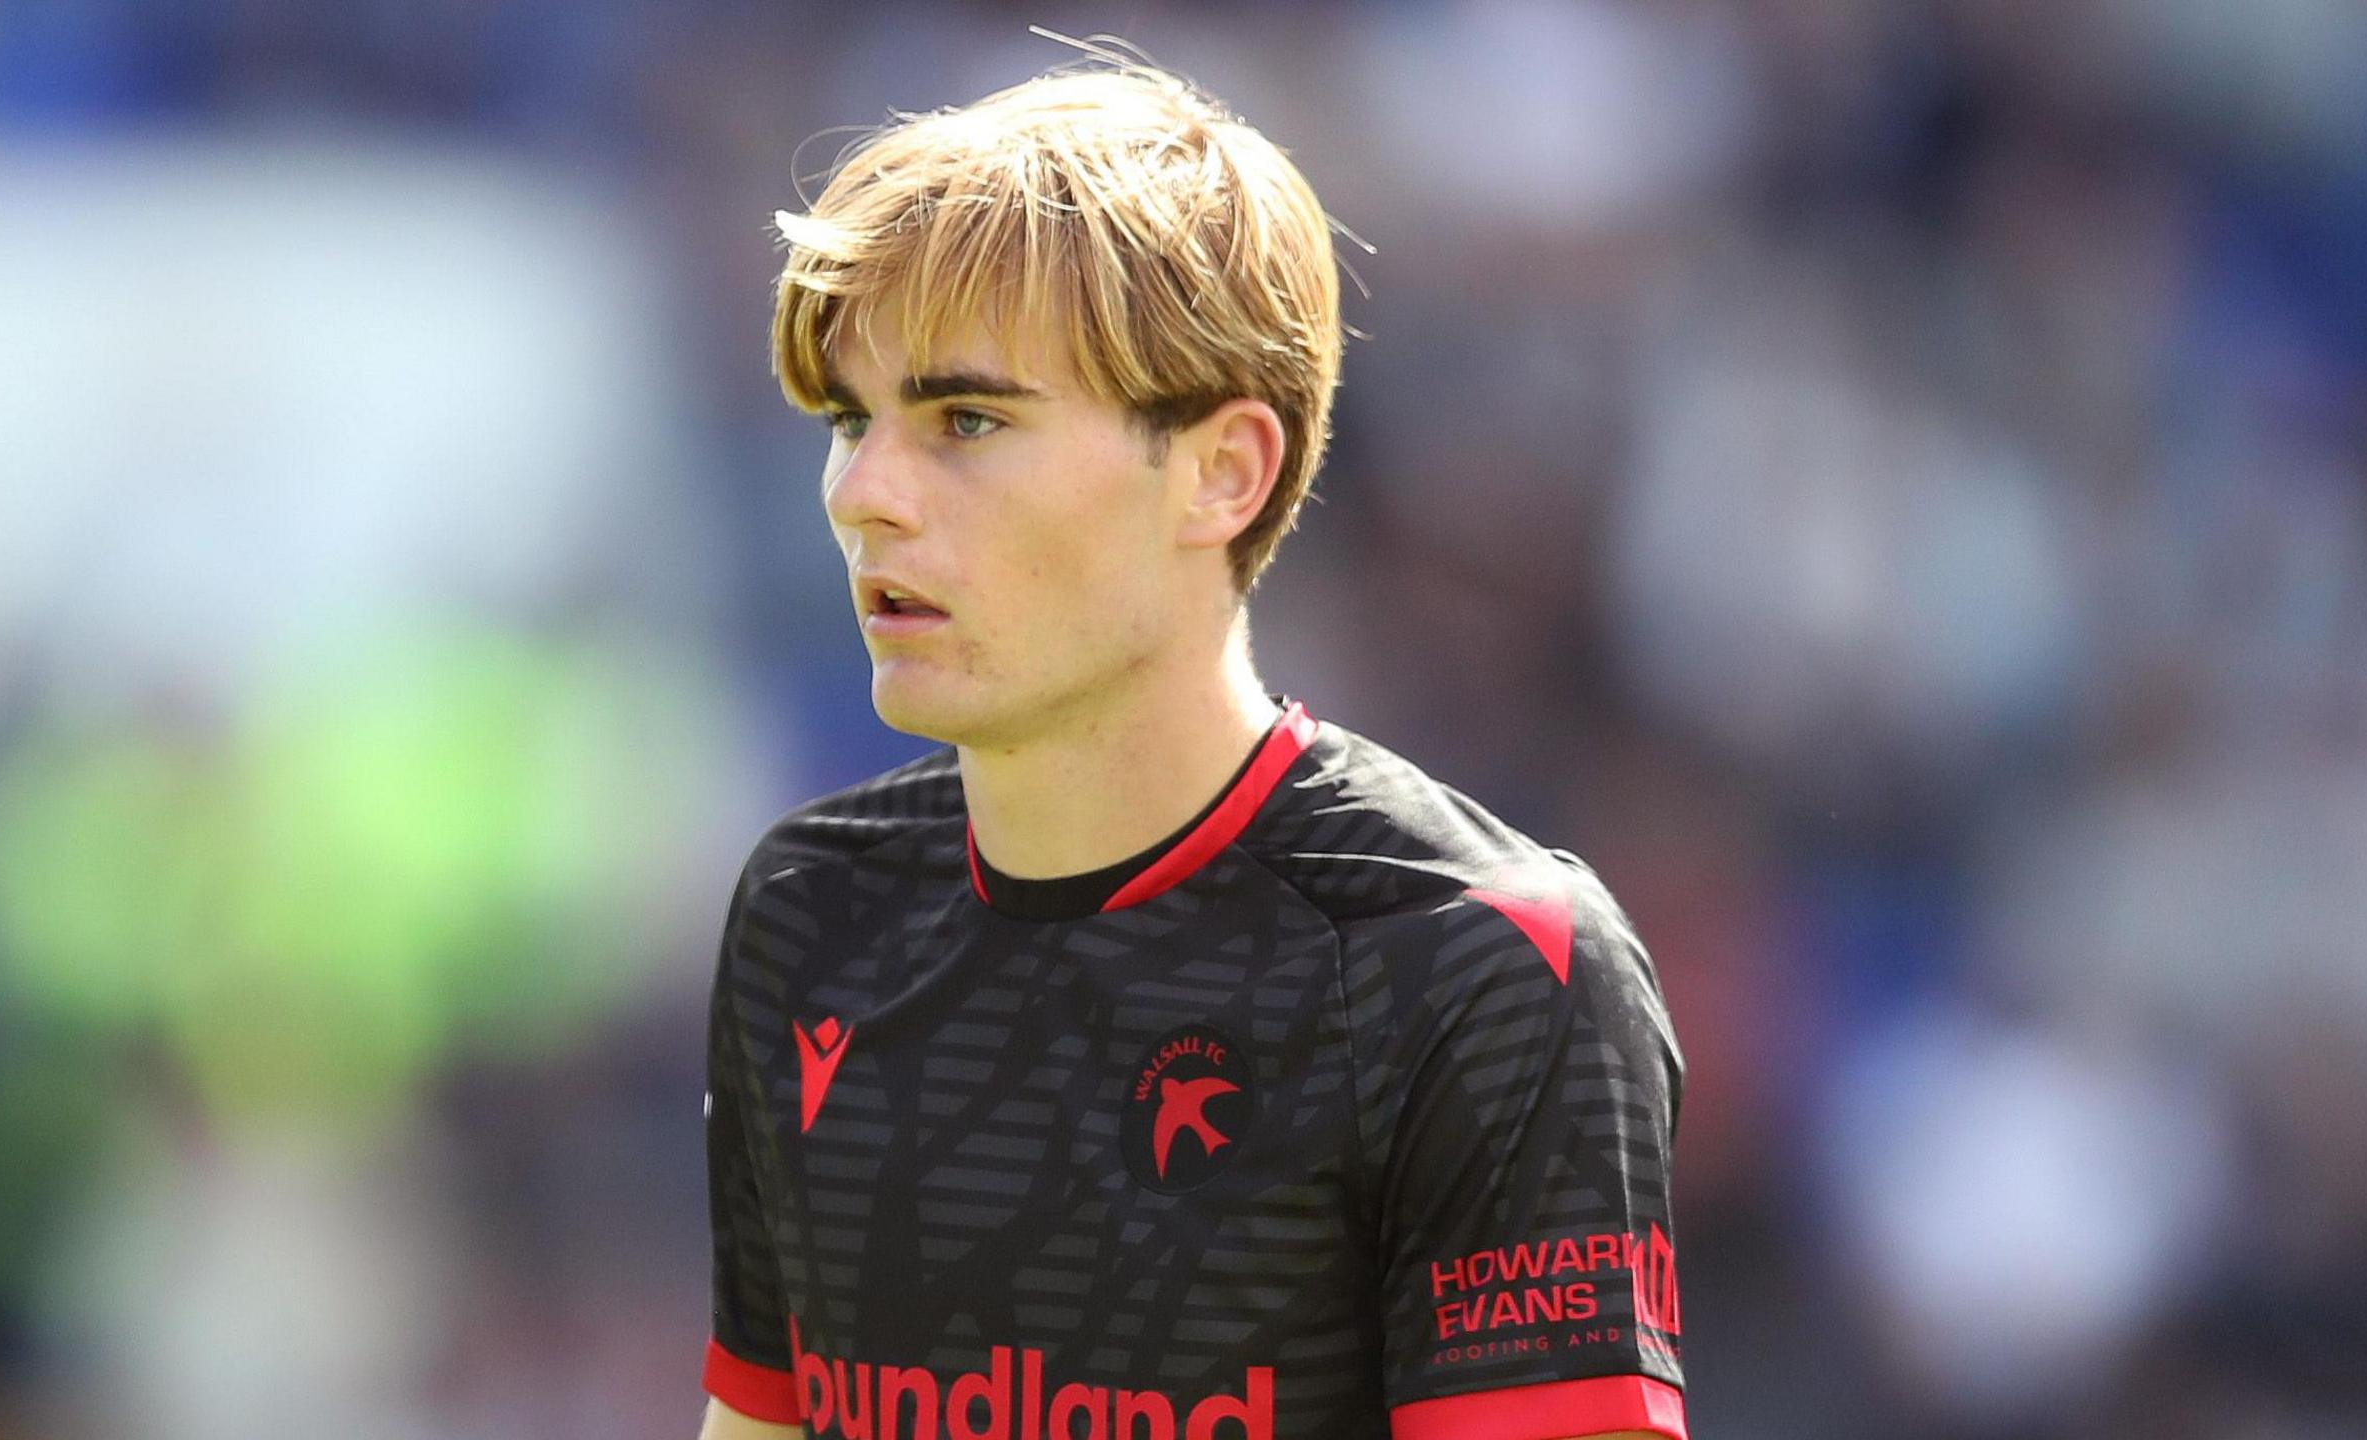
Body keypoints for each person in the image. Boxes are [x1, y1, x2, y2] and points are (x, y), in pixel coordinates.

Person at [696, 53, 1688, 1440]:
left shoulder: (1483, 967)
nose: (863, 493)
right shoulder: (810, 916)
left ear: (1226, 471)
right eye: (851, 422)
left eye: (966, 420)